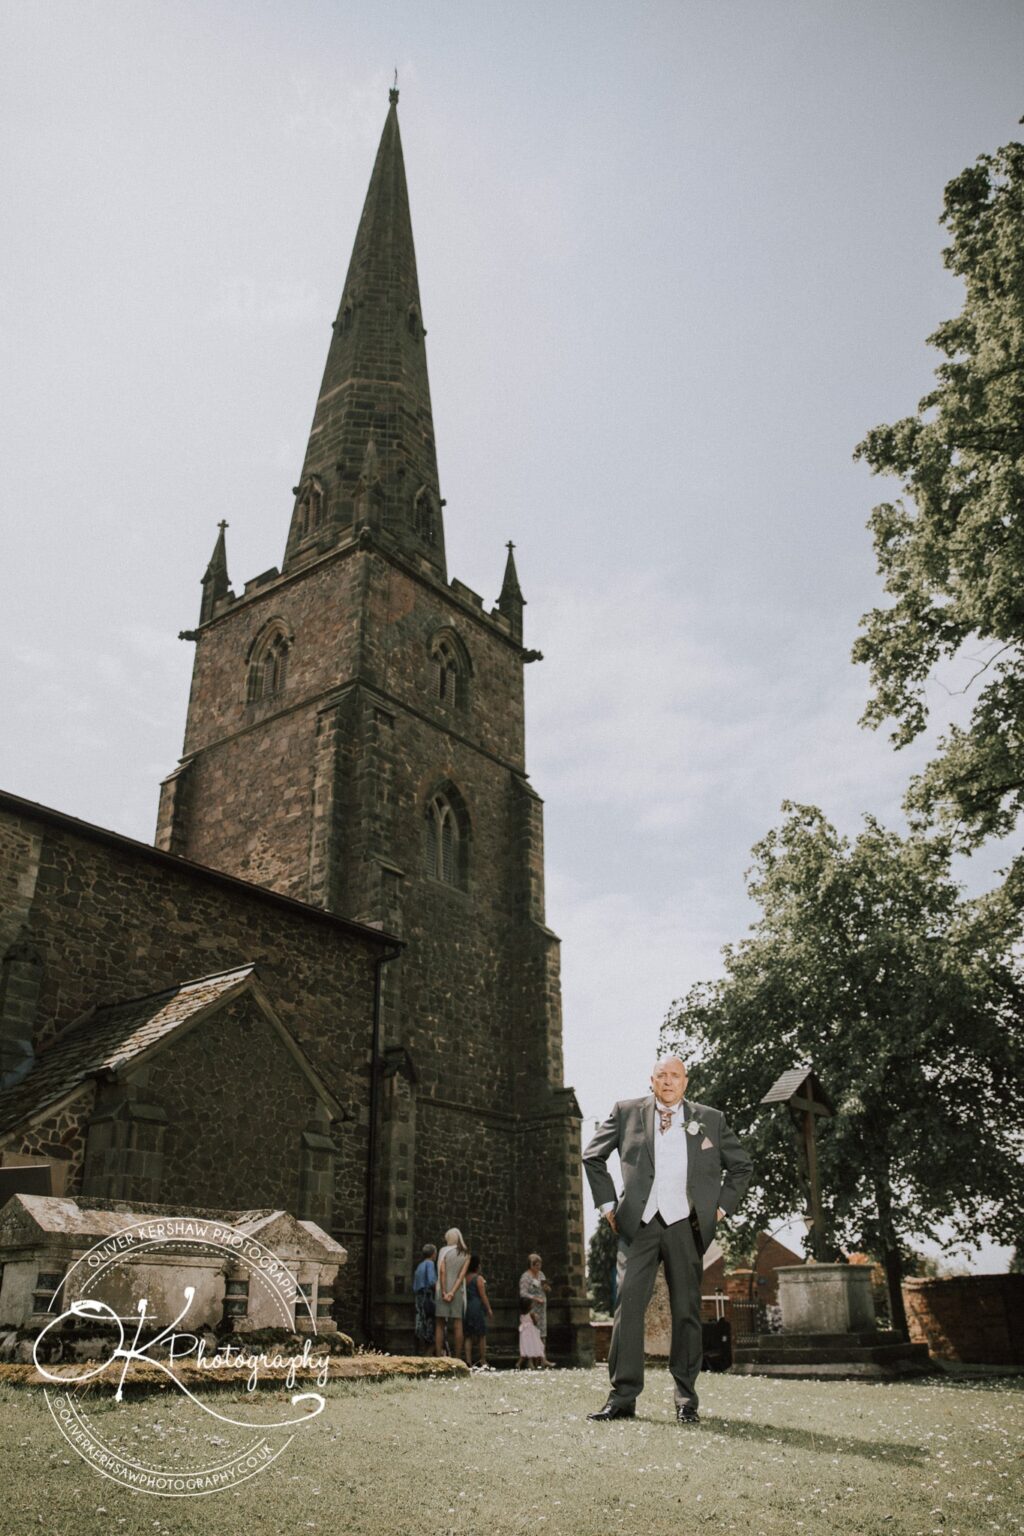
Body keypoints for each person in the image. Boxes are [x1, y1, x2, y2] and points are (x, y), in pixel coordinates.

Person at [583, 1054, 751, 1424]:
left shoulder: (711, 1119)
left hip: (685, 1226)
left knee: (688, 1312)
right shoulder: (626, 1112)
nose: (669, 1081)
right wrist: (608, 1206)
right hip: (638, 1227)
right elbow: (593, 1156)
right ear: (652, 1080)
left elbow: (740, 1165)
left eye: (675, 1076)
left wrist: (718, 1209)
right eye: (662, 1076)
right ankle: (622, 1398)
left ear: (685, 1082)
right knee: (628, 1308)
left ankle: (686, 1401)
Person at [434, 1227, 471, 1359]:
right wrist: (452, 1292)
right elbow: (461, 1276)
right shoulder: (466, 1254)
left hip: (441, 1291)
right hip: (457, 1292)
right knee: (458, 1324)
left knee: (439, 1323)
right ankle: (457, 1357)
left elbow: (442, 1272)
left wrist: (444, 1291)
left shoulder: (443, 1251)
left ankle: (439, 1356)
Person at [462, 1255, 494, 1368]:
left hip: (467, 1307)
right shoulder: (479, 1278)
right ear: (477, 1266)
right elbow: (483, 1295)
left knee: (468, 1335)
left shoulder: (464, 1278)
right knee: (481, 1334)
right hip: (476, 1307)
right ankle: (483, 1360)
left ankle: (468, 1360)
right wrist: (489, 1309)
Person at [518, 1252, 551, 1344]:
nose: (539, 1267)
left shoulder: (541, 1275)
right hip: (532, 1308)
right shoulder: (525, 1277)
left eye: (540, 1264)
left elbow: (546, 1287)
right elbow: (523, 1293)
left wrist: (547, 1288)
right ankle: (531, 1356)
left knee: (542, 1332)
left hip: (542, 1308)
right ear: (531, 1265)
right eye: (536, 1265)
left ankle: (543, 1357)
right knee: (532, 1331)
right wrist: (535, 1298)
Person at [412, 1243, 437, 1354]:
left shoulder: (420, 1266)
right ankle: (428, 1354)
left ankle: (421, 1351)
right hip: (427, 1297)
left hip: (418, 1298)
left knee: (420, 1324)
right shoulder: (430, 1264)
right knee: (431, 1326)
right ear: (433, 1254)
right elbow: (432, 1281)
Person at [517, 1295, 550, 1368]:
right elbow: (535, 1323)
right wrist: (536, 1318)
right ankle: (539, 1362)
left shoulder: (522, 1315)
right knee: (536, 1346)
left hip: (524, 1333)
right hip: (531, 1333)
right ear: (529, 1306)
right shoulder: (531, 1314)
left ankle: (525, 1364)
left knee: (526, 1348)